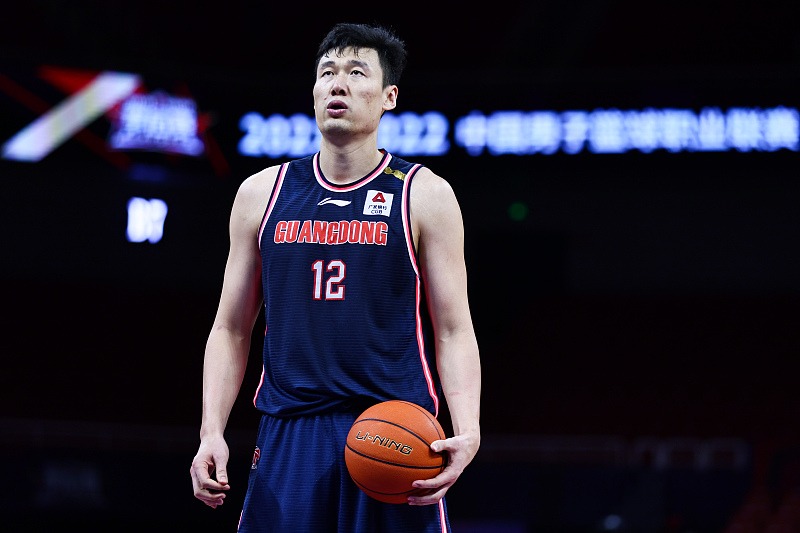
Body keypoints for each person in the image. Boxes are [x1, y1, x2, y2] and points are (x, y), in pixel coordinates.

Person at [189, 22, 481, 532]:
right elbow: (230, 328)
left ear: (389, 97)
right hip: (289, 430)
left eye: (356, 72)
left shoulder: (424, 194)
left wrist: (469, 427)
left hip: (395, 430)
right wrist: (211, 430)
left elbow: (454, 329)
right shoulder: (262, 193)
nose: (337, 84)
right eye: (327, 72)